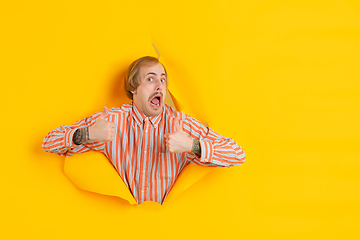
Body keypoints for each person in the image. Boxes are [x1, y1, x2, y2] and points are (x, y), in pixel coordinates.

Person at [42, 56, 246, 204]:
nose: (159, 85)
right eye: (150, 79)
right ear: (133, 87)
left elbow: (237, 154)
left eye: (163, 79)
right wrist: (88, 134)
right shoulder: (112, 120)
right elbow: (49, 142)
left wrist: (192, 145)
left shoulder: (180, 124)